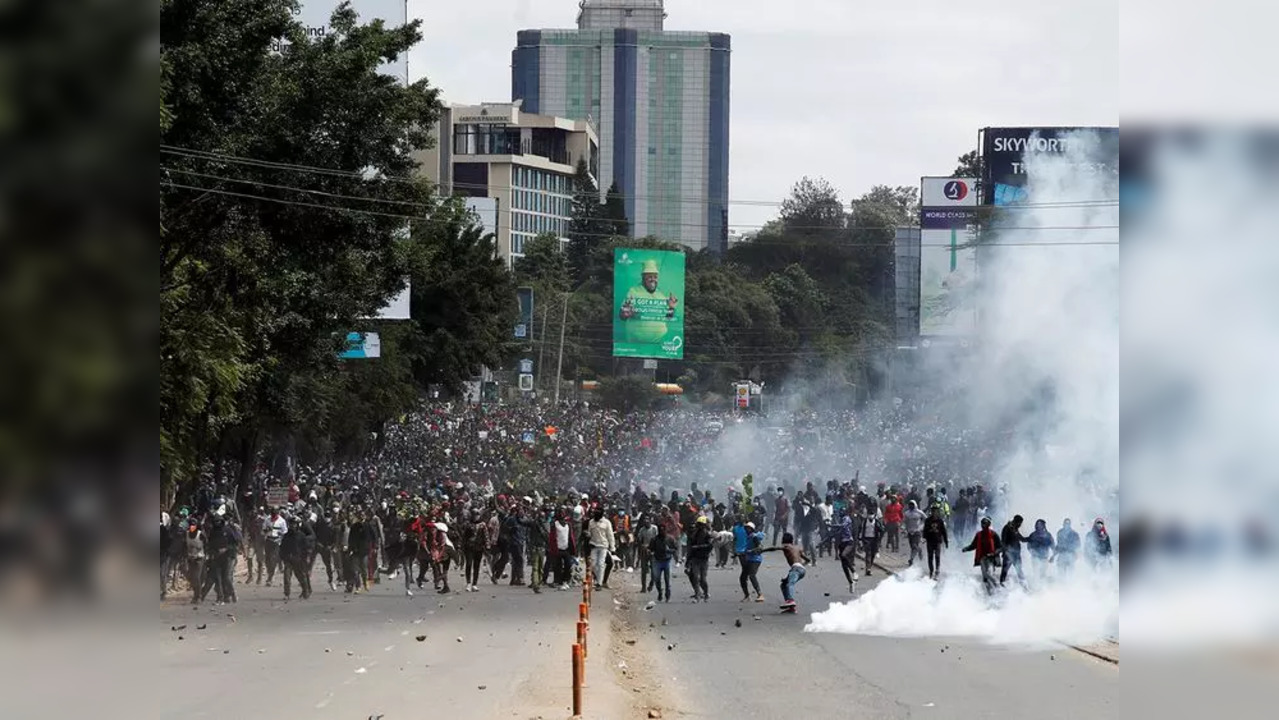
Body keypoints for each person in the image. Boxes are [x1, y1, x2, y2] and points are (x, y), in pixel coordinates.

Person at [761, 532, 811, 609]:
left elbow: (774, 548)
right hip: (801, 570)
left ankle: (790, 600)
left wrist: (762, 550)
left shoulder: (786, 546)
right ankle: (791, 607)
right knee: (784, 584)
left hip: (795, 569)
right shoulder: (797, 548)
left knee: (789, 584)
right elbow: (808, 560)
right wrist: (801, 566)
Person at [963, 516, 1002, 594]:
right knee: (985, 578)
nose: (983, 525)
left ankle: (999, 588)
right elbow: (973, 545)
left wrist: (993, 553)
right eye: (982, 523)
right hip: (982, 559)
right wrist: (966, 549)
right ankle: (990, 594)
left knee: (989, 574)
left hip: (991, 559)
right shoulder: (979, 535)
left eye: (985, 523)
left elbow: (1000, 547)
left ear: (989, 524)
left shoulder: (993, 534)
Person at [587, 508, 615, 590]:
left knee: (601, 564)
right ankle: (599, 579)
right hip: (593, 545)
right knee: (593, 564)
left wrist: (612, 548)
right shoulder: (591, 522)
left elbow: (610, 536)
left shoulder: (607, 523)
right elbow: (589, 533)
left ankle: (599, 583)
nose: (595, 516)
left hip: (603, 546)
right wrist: (587, 535)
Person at [685, 515, 712, 602]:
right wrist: (688, 561)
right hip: (695, 559)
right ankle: (697, 595)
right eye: (698, 524)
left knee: (703, 579)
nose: (699, 526)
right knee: (695, 577)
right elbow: (691, 548)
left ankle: (706, 593)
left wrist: (699, 547)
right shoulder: (694, 535)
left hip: (704, 559)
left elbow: (710, 546)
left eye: (701, 524)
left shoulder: (708, 534)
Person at [462, 509, 489, 593]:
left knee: (476, 566)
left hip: (479, 547)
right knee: (469, 564)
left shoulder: (482, 525)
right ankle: (468, 583)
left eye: (477, 515)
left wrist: (487, 545)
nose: (475, 516)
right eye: (474, 515)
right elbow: (464, 536)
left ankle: (474, 584)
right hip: (469, 547)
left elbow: (486, 535)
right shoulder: (468, 524)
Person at [738, 521, 765, 602]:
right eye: (746, 528)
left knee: (752, 575)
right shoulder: (748, 537)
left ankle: (760, 594)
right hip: (748, 559)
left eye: (748, 528)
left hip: (755, 559)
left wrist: (751, 551)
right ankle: (747, 596)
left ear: (752, 529)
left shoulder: (754, 537)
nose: (746, 530)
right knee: (742, 578)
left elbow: (760, 547)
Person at [1000, 515, 1029, 586]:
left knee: (1019, 570)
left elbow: (1021, 539)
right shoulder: (1007, 528)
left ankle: (1024, 585)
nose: (1020, 525)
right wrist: (1004, 552)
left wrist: (1030, 538)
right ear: (1016, 521)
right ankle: (1001, 584)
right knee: (1005, 570)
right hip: (1009, 553)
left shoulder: (1015, 529)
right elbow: (1003, 541)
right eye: (1020, 523)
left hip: (1016, 554)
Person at [922, 504, 949, 580]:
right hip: (930, 541)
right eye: (933, 510)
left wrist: (946, 542)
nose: (934, 512)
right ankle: (931, 571)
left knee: (937, 556)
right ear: (931, 511)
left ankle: (937, 571)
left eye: (936, 510)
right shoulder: (928, 520)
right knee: (930, 557)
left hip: (938, 541)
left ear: (938, 512)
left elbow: (944, 532)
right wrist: (926, 535)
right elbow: (925, 531)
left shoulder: (940, 521)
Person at [648, 527, 676, 602]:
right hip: (657, 561)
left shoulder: (670, 539)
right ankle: (660, 592)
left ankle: (667, 595)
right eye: (661, 530)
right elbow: (650, 549)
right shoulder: (654, 539)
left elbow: (675, 549)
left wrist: (669, 550)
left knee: (667, 580)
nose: (662, 532)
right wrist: (650, 553)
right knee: (657, 579)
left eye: (664, 530)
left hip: (667, 561)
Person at [856, 506, 884, 576]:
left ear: (874, 515)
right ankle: (868, 568)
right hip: (866, 539)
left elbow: (882, 530)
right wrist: (859, 539)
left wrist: (880, 539)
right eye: (869, 514)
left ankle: (869, 566)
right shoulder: (864, 522)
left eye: (872, 514)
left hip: (874, 540)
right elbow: (860, 530)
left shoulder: (876, 522)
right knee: (868, 553)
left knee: (873, 554)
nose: (870, 516)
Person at [635, 514, 659, 593]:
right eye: (645, 520)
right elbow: (639, 540)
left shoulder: (654, 528)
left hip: (653, 551)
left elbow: (657, 539)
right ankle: (643, 587)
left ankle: (651, 583)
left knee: (653, 570)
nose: (646, 521)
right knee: (644, 570)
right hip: (644, 551)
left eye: (648, 519)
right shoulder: (642, 530)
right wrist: (642, 548)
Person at [903, 499, 926, 567]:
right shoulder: (907, 513)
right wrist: (903, 528)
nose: (911, 506)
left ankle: (911, 559)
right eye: (910, 505)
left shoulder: (919, 512)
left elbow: (926, 520)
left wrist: (922, 527)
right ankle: (919, 551)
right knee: (912, 547)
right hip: (909, 531)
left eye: (912, 504)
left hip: (917, 531)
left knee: (914, 545)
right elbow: (904, 522)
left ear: (915, 505)